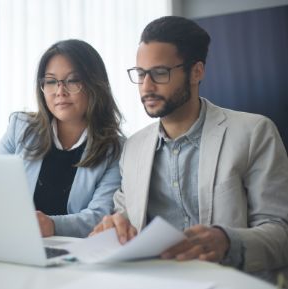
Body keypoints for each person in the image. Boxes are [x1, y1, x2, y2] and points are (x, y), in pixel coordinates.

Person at [91, 16, 288, 281]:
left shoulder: (254, 133)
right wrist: (113, 226)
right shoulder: (134, 147)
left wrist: (227, 241)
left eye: (160, 73)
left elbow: (281, 233)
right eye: (140, 74)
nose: (146, 87)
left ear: (196, 72)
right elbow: (123, 217)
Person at [0, 39, 123, 238]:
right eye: (51, 81)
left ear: (95, 84)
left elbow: (100, 217)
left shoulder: (115, 149)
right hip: (13, 241)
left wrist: (52, 225)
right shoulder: (20, 128)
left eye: (72, 81)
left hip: (74, 255)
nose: (60, 91)